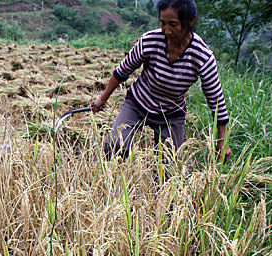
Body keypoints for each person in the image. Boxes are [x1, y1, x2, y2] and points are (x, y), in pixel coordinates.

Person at [90, 0, 231, 162]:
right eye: (162, 23)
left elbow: (216, 100)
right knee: (114, 147)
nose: (166, 30)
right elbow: (122, 71)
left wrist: (221, 141)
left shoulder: (202, 57)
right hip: (138, 103)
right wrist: (102, 98)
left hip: (171, 112)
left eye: (173, 24)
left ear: (191, 21)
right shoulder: (150, 40)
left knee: (171, 167)